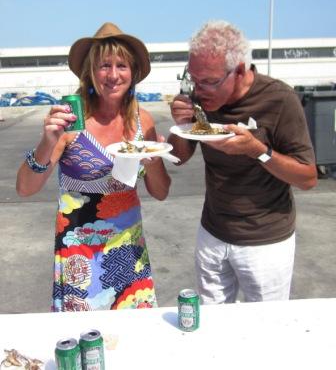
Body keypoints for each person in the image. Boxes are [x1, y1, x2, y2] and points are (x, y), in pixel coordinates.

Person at [16, 22, 171, 311]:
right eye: (104, 66)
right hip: (80, 256)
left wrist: (155, 159)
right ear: (90, 71)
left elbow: (161, 192)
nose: (113, 75)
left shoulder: (143, 121)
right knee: (83, 341)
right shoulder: (71, 121)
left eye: (122, 65)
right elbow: (25, 188)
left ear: (133, 72)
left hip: (129, 252)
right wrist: (47, 142)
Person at [168, 20, 318, 304]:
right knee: (212, 326)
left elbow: (308, 178)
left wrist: (258, 150)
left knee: (265, 329)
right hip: (212, 233)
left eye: (209, 81)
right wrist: (181, 125)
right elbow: (179, 158)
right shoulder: (197, 97)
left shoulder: (279, 99)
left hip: (265, 241)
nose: (199, 90)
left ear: (239, 71)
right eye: (193, 79)